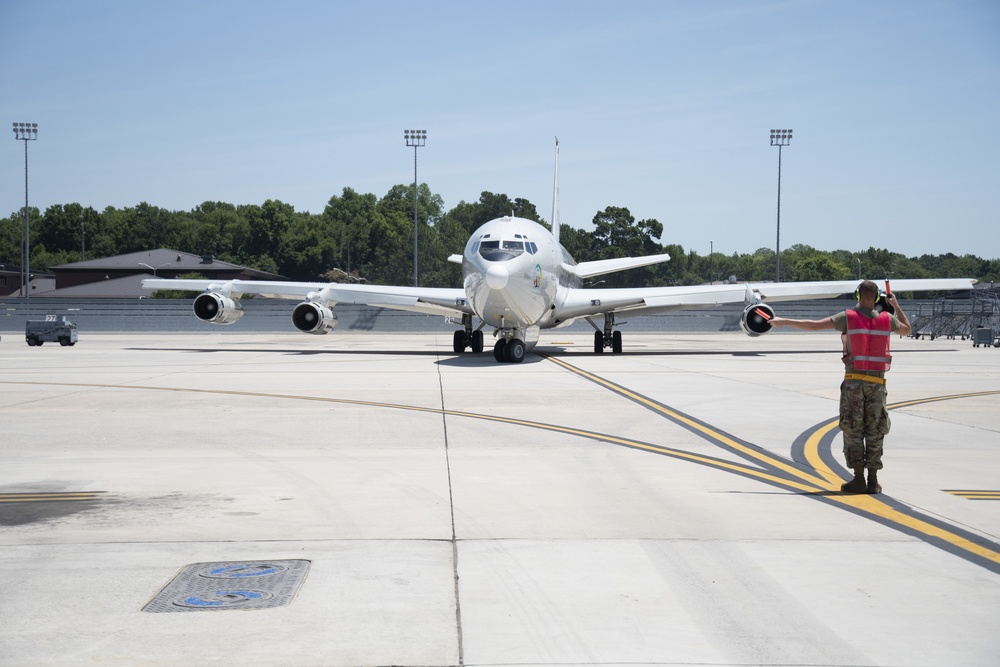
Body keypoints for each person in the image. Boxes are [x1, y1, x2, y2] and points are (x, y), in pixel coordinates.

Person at [769, 280, 911, 494]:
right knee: (875, 430)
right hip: (878, 385)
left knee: (853, 429)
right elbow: (908, 330)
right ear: (878, 298)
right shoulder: (887, 320)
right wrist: (897, 306)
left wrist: (784, 321)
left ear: (857, 296)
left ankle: (858, 479)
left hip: (854, 382)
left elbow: (814, 325)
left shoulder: (848, 317)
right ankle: (873, 480)